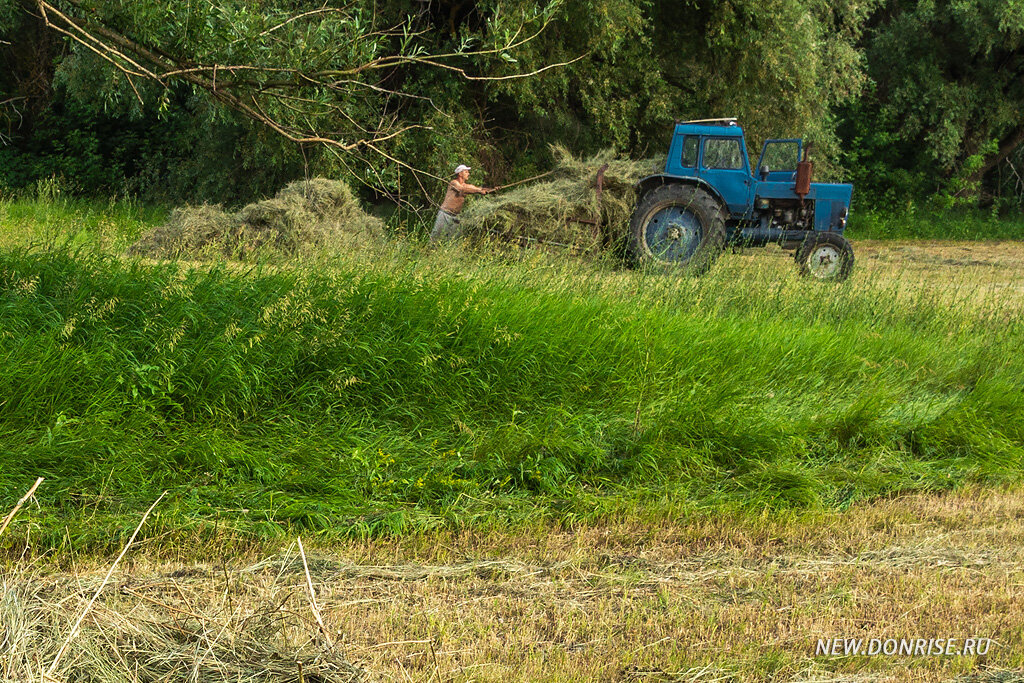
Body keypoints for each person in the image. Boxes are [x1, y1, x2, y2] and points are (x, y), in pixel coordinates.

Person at [430, 164, 492, 244]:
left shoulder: (467, 186)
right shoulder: (454, 183)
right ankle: (427, 253)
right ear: (460, 174)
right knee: (436, 237)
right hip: (445, 214)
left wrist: (490, 189)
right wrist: (479, 191)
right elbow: (461, 189)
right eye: (466, 172)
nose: (468, 174)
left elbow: (477, 189)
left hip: (456, 217)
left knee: (453, 241)